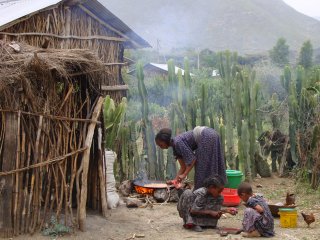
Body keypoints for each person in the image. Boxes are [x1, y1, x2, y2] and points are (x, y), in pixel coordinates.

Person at [155, 126, 226, 190]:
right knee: (211, 165)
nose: (160, 146)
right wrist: (175, 180)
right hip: (212, 134)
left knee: (201, 169)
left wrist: (184, 175)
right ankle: (213, 189)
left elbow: (192, 159)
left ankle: (202, 193)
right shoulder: (175, 147)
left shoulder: (177, 142)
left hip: (206, 135)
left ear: (165, 140)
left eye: (160, 144)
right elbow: (183, 167)